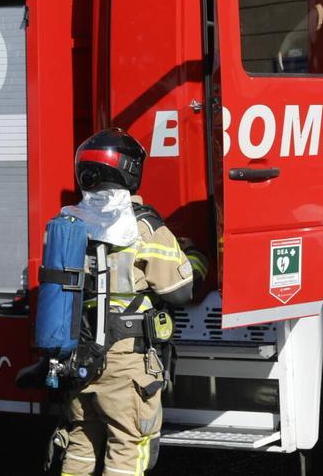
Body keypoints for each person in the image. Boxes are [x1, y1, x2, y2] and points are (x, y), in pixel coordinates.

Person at [57, 128, 207, 476]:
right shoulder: (144, 227)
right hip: (125, 360)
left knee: (81, 443)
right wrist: (197, 259)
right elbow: (179, 291)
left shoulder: (68, 222)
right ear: (130, 170)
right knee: (130, 447)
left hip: (78, 356)